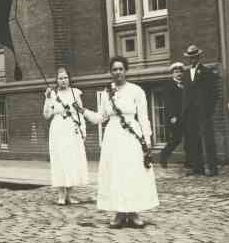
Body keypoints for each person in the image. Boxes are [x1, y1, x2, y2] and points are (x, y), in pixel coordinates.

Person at [77, 56, 159, 228]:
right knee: (116, 173)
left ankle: (134, 212)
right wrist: (83, 111)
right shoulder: (107, 93)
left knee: (132, 172)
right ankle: (119, 213)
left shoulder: (136, 91)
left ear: (126, 70)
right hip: (113, 137)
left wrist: (147, 141)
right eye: (114, 69)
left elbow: (143, 118)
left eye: (121, 69)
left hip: (132, 136)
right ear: (111, 72)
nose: (118, 72)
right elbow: (101, 117)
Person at [43, 67, 88, 205]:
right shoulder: (53, 95)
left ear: (69, 79)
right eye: (60, 78)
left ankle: (69, 194)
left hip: (72, 128)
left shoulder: (75, 93)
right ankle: (61, 195)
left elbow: (80, 113)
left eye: (65, 77)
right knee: (60, 160)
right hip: (58, 129)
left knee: (72, 159)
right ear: (56, 80)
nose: (63, 80)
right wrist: (47, 99)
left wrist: (83, 129)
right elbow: (46, 115)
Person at [181, 44, 218, 176]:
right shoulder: (185, 73)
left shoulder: (207, 72)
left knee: (207, 139)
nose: (193, 59)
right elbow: (185, 93)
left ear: (199, 57)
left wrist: (209, 110)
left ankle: (212, 168)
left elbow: (214, 93)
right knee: (193, 139)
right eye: (190, 57)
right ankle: (197, 167)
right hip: (190, 112)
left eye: (195, 57)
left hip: (203, 111)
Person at [158, 62, 186, 168]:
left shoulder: (185, 84)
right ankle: (163, 157)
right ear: (172, 74)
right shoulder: (168, 85)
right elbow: (168, 102)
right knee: (175, 139)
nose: (178, 74)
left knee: (189, 138)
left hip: (185, 116)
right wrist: (172, 116)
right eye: (176, 72)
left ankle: (189, 162)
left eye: (180, 72)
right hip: (174, 117)